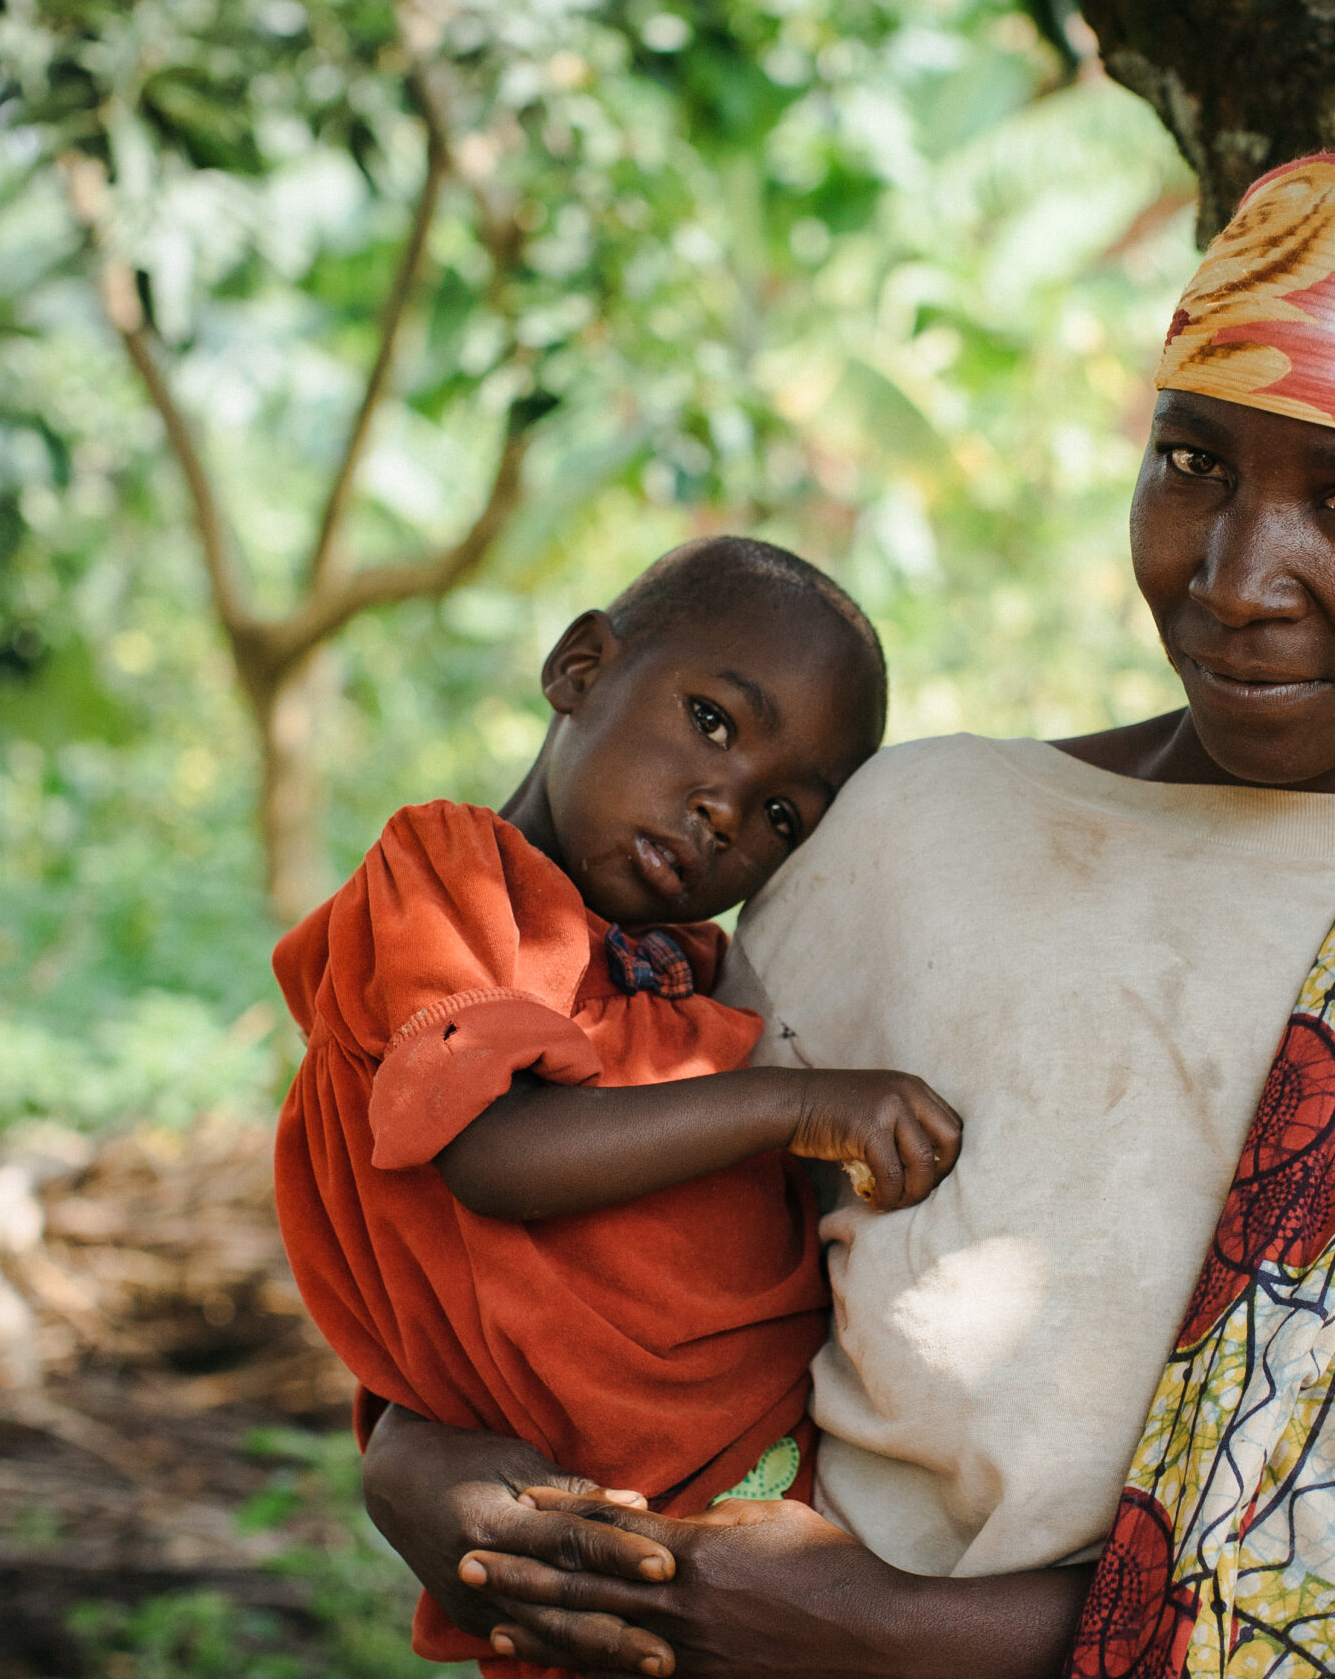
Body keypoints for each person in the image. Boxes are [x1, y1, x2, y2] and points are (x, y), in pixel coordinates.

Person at [356, 155, 1335, 1678]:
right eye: (1194, 465)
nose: (1240, 578)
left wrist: (898, 1634)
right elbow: (608, 1253)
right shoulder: (911, 832)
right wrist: (413, 1458)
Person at [270, 537, 964, 1676]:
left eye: (784, 815)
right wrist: (788, 1107)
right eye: (713, 723)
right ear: (579, 666)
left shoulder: (684, 969)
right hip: (578, 1534)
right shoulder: (447, 881)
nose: (724, 807)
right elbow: (495, 1153)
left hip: (777, 1499)